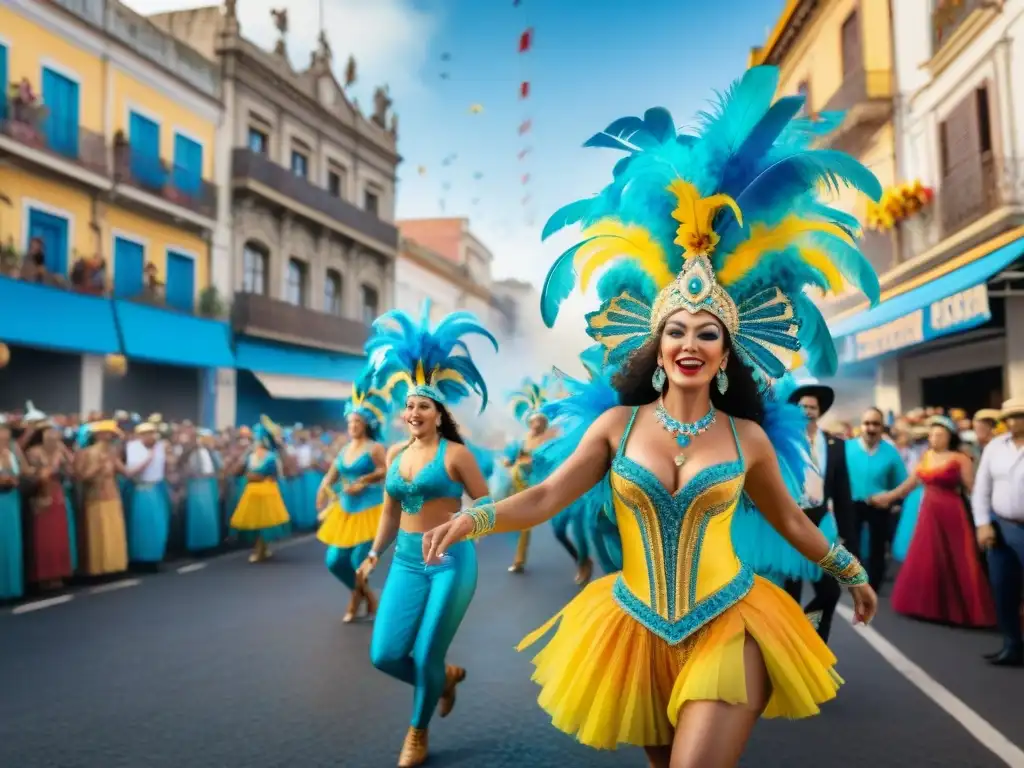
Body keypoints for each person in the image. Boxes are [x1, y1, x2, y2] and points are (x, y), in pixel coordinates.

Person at [422, 65, 880, 768]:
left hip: (732, 621)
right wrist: (472, 518)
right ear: (657, 348)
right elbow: (546, 496)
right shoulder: (616, 428)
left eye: (707, 333)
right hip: (635, 627)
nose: (690, 343)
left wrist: (850, 572)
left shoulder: (747, 436)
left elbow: (790, 523)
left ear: (727, 354)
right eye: (676, 331)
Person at [354, 299, 496, 767]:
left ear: (438, 413)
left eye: (424, 406)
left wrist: (465, 524)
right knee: (384, 654)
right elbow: (390, 513)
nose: (414, 411)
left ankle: (417, 731)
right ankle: (445, 679)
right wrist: (374, 555)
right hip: (407, 561)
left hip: (451, 562)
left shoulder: (456, 454)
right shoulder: (395, 454)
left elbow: (487, 500)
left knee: (426, 651)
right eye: (410, 405)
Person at [881, 416, 994, 628]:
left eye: (940, 434)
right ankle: (927, 606)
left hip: (952, 514)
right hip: (927, 514)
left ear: (949, 437)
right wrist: (888, 497)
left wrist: (986, 516)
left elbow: (973, 490)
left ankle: (959, 609)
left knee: (956, 558)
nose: (934, 438)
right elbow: (909, 484)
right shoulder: (926, 456)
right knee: (928, 557)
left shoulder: (961, 459)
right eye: (932, 434)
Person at [779, 380, 855, 643]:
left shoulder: (836, 444)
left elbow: (842, 492)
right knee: (789, 593)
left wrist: (847, 534)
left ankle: (812, 640)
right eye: (802, 406)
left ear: (819, 411)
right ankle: (787, 654)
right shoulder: (782, 442)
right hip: (788, 524)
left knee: (830, 591)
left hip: (821, 525)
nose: (807, 411)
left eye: (812, 406)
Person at [316, 370, 393, 623]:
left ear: (367, 424)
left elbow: (386, 471)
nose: (352, 427)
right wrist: (324, 491)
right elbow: (331, 476)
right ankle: (368, 597)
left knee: (360, 560)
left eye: (357, 422)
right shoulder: (345, 449)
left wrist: (365, 480)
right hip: (345, 511)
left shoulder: (375, 448)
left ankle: (356, 600)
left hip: (370, 509)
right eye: (349, 423)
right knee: (335, 561)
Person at [972, 397, 1024, 667]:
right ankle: (1012, 644)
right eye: (1010, 417)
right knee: (1003, 588)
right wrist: (982, 523)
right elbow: (982, 488)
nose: (1014, 422)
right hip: (1000, 526)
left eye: (1020, 416)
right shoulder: (995, 447)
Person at [845, 406, 907, 591]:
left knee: (878, 546)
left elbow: (901, 482)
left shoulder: (891, 452)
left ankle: (874, 584)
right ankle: (853, 580)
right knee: (851, 544)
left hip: (879, 504)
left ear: (882, 427)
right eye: (867, 423)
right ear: (860, 426)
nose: (871, 428)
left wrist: (893, 500)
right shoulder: (847, 448)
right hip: (851, 504)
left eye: (875, 424)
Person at [229, 416, 290, 563]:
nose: (257, 443)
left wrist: (258, 476)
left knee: (265, 523)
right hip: (252, 491)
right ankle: (260, 549)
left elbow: (275, 474)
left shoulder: (271, 457)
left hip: (267, 491)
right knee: (256, 523)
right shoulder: (250, 456)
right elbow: (239, 471)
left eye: (259, 440)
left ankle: (261, 549)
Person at [124, 423, 170, 568]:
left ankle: (156, 557)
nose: (150, 436)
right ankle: (142, 559)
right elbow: (133, 471)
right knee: (143, 525)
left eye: (152, 433)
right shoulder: (133, 447)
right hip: (142, 489)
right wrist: (148, 458)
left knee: (159, 525)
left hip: (157, 488)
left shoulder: (160, 446)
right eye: (146, 434)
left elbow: (165, 467)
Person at [0, 420, 24, 600]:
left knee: (12, 542)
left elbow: (23, 471)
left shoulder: (11, 452)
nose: (4, 440)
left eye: (7, 437)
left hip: (12, 501)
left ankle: (12, 588)